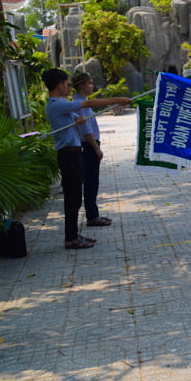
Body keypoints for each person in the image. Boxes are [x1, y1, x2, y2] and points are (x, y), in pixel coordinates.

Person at [43, 68, 130, 249]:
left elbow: (77, 118)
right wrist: (116, 100)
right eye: (67, 84)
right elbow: (87, 103)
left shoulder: (61, 103)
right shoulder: (56, 104)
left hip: (74, 152)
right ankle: (70, 238)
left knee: (76, 197)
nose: (69, 88)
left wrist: (77, 122)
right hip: (68, 154)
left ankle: (74, 234)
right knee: (72, 197)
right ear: (59, 86)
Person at [70, 72, 111, 227]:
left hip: (91, 144)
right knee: (90, 181)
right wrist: (96, 149)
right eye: (89, 83)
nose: (92, 86)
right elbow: (86, 131)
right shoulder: (80, 104)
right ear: (81, 85)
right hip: (88, 145)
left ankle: (94, 214)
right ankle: (92, 216)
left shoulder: (83, 102)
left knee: (93, 181)